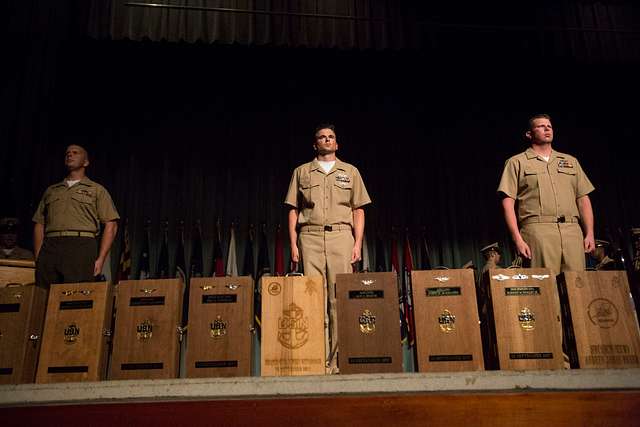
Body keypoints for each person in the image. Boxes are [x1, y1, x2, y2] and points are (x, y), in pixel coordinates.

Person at [285, 124, 371, 374]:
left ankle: (337, 362)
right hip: (309, 237)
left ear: (337, 143)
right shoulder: (301, 172)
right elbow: (294, 209)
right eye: (322, 137)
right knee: (313, 300)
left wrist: (357, 243)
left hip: (341, 237)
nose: (327, 140)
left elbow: (359, 209)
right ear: (315, 144)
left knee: (338, 299)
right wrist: (293, 243)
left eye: (331, 137)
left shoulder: (350, 171)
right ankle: (316, 360)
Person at [498, 114, 595, 276]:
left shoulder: (570, 161)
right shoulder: (517, 162)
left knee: (577, 287)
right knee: (545, 286)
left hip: (572, 231)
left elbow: (583, 199)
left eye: (549, 126)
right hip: (538, 232)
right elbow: (507, 203)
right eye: (541, 126)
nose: (547, 128)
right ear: (529, 134)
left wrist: (590, 233)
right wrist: (517, 239)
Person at [32, 145, 119, 287]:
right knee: (43, 295)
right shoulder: (52, 191)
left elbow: (111, 224)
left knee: (74, 298)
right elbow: (39, 223)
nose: (69, 155)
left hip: (81, 246)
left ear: (86, 162)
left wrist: (101, 258)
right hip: (51, 245)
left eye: (75, 153)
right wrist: (39, 256)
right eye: (67, 153)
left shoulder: (97, 190)